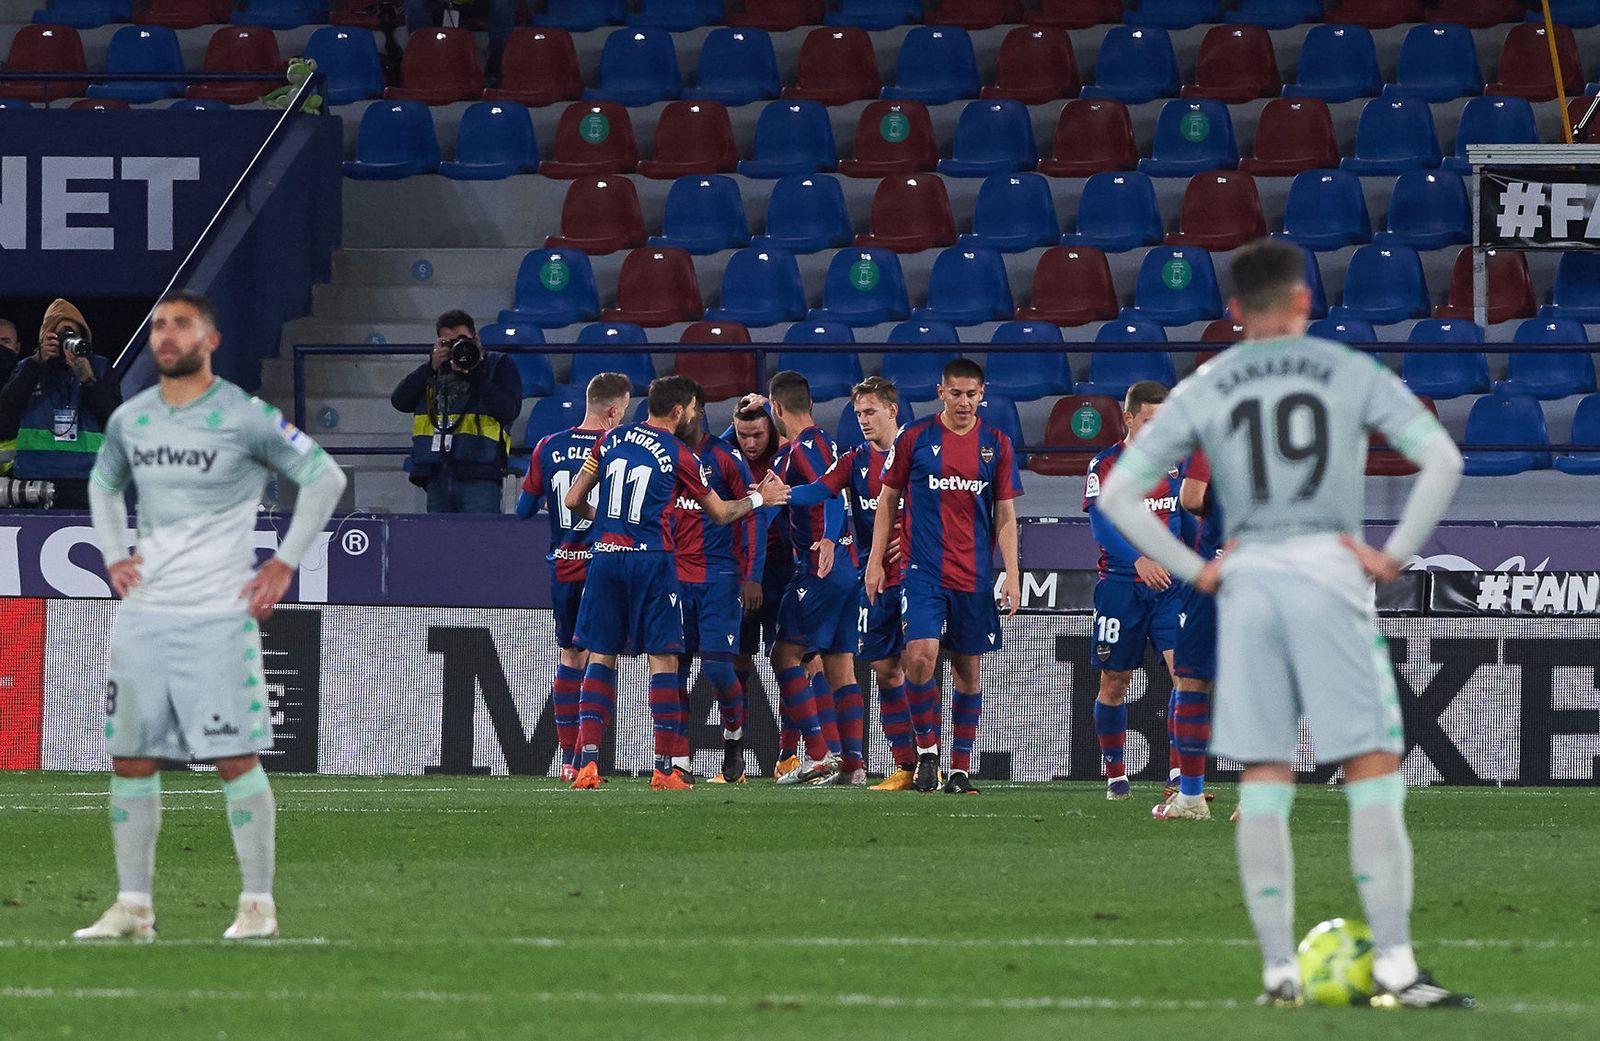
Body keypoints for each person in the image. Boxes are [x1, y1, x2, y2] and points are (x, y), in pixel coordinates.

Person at [1097, 237, 1472, 1009]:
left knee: (1264, 775)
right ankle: (1397, 966)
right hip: (1330, 576)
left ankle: (1278, 974)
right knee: (1372, 768)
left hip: (1251, 583)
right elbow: (1442, 459)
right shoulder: (1345, 369)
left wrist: (1197, 567)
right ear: (1304, 301)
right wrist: (1391, 553)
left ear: (1236, 309)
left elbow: (1119, 494)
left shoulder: (1210, 382)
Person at [76, 290, 347, 941]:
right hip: (145, 616)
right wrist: (114, 554)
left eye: (182, 324)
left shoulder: (245, 416)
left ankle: (257, 906)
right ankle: (133, 907)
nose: (166, 335)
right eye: (160, 325)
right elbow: (103, 483)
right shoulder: (132, 418)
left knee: (233, 757)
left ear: (210, 340)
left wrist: (284, 562)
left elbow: (325, 477)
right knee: (131, 758)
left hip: (217, 616)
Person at [562, 375, 788, 791]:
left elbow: (573, 500)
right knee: (665, 661)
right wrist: (762, 498)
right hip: (653, 561)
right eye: (694, 409)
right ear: (680, 410)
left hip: (606, 557)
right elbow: (721, 513)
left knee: (600, 656)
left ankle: (586, 763)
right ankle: (665, 768)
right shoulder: (679, 453)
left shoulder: (610, 439)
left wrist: (611, 523)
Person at [865, 358, 1022, 795]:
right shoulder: (914, 437)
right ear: (941, 393)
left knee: (967, 668)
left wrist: (1012, 572)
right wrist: (875, 561)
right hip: (922, 570)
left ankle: (960, 768)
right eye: (956, 393)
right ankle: (928, 751)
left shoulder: (997, 444)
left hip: (973, 574)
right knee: (919, 656)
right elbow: (888, 499)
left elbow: (1005, 514)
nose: (964, 402)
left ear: (982, 395)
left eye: (972, 394)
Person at [787, 377, 916, 789]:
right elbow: (820, 490)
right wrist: (779, 496)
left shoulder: (918, 452)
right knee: (884, 669)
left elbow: (943, 505)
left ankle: (935, 757)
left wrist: (910, 536)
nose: (863, 420)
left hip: (919, 575)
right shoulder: (855, 460)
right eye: (859, 413)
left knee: (922, 664)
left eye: (871, 411)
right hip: (875, 578)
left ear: (892, 410)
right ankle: (905, 764)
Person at [515, 372, 632, 782]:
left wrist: (550, 497)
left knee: (569, 656)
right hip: (605, 564)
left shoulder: (548, 446)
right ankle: (589, 758)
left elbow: (523, 510)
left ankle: (568, 760)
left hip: (564, 563)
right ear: (614, 410)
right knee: (602, 658)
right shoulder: (619, 447)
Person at [1082, 381, 1186, 802]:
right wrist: (1139, 559)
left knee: (1187, 676)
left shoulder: (1176, 464)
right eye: (1149, 422)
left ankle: (1180, 776)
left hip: (1170, 589)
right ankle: (1116, 776)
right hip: (1122, 587)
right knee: (1115, 681)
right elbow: (1101, 525)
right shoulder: (1106, 465)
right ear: (1128, 418)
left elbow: (1187, 519)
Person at [767, 371, 860, 787]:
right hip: (843, 568)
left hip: (820, 567)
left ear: (777, 408)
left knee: (784, 656)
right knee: (839, 664)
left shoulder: (807, 448)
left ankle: (820, 755)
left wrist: (828, 539)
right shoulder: (821, 442)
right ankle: (853, 767)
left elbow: (832, 493)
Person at [668, 385, 762, 784]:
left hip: (719, 578)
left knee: (718, 669)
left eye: (685, 409)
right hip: (672, 577)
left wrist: (752, 575)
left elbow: (754, 514)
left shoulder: (725, 458)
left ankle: (734, 739)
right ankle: (679, 762)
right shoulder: (662, 454)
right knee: (672, 671)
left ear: (700, 411)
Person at [390, 310, 521, 514]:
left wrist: (474, 375)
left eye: (462, 339)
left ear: (476, 338)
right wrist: (430, 367)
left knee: (481, 534)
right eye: (448, 343)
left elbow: (508, 410)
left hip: (480, 473)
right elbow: (400, 401)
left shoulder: (498, 365)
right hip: (437, 473)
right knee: (440, 534)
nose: (457, 347)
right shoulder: (433, 371)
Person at [1151, 447, 1222, 821]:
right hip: (1273, 567)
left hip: (1217, 569)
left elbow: (1191, 498)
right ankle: (1261, 798)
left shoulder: (1213, 432)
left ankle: (1191, 796)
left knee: (1191, 680)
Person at [0, 299, 123, 509]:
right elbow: (4, 417)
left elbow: (115, 424)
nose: (65, 341)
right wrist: (36, 363)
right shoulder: (28, 367)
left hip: (87, 479)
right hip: (34, 478)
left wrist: (88, 379)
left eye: (71, 334)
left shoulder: (99, 368)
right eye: (58, 335)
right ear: (45, 338)